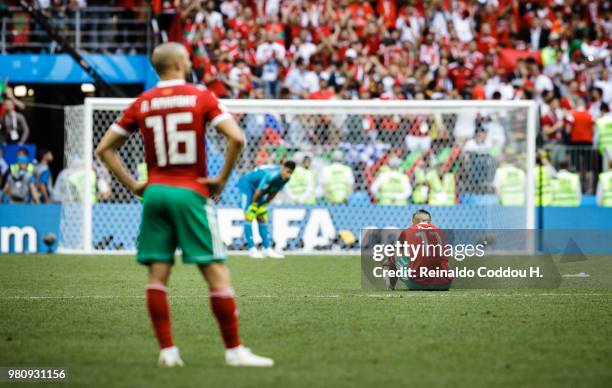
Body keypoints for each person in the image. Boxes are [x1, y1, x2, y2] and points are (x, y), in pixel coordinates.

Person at [95, 42, 273, 368]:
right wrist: (220, 179)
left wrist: (134, 184)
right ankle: (234, 350)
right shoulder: (201, 96)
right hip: (190, 192)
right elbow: (236, 138)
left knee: (157, 275)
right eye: (188, 60)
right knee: (216, 272)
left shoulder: (142, 102)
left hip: (155, 194)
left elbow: (105, 149)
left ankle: (167, 351)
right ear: (179, 63)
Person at [236, 161, 296, 259]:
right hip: (247, 184)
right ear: (283, 168)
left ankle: (267, 248)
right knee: (249, 215)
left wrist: (264, 204)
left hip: (258, 188)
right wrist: (254, 205)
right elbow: (259, 191)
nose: (288, 175)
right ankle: (252, 249)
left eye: (291, 173)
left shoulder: (286, 178)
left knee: (261, 216)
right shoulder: (271, 175)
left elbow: (274, 191)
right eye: (287, 171)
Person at [385, 209, 452, 291]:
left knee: (393, 252)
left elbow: (399, 250)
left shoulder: (407, 231)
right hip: (445, 284)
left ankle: (391, 287)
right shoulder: (439, 231)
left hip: (417, 283)